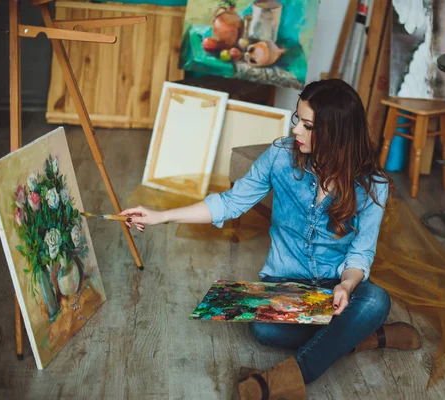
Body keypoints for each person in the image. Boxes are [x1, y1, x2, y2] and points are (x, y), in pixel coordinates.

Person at [121, 79, 422, 400]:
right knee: (264, 329)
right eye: (298, 119)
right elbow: (230, 202)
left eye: (307, 125)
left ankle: (274, 383)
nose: (296, 131)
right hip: (288, 285)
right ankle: (363, 336)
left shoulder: (372, 184)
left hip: (338, 289)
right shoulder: (280, 156)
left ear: (336, 133)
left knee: (375, 300)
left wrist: (347, 286)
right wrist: (160, 215)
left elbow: (360, 255)